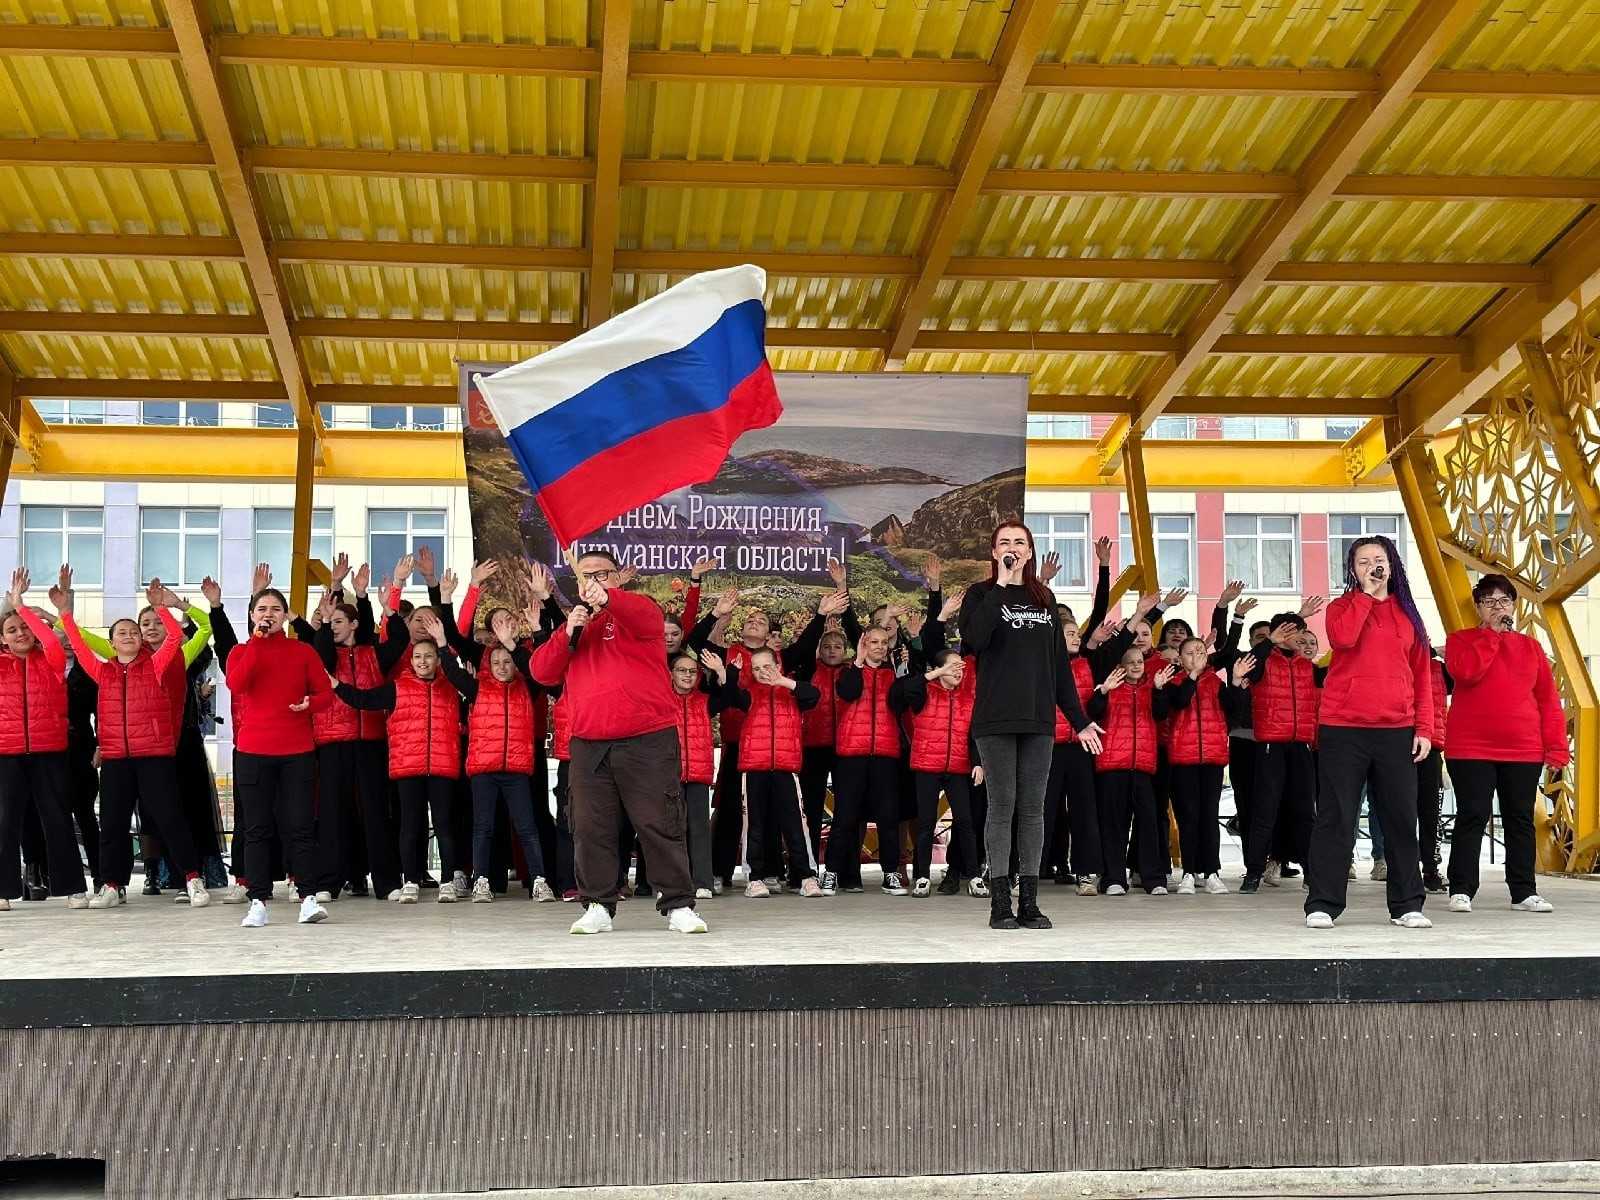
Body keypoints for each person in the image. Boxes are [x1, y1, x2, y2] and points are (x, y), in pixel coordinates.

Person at [530, 550, 705, 935]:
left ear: (617, 577)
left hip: (647, 737)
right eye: (586, 575)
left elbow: (650, 620)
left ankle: (678, 904)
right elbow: (542, 672)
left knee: (659, 822)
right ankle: (597, 904)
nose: (593, 581)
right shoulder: (575, 625)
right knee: (591, 827)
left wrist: (607, 599)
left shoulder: (636, 610)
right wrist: (568, 631)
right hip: (589, 743)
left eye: (602, 574)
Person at [958, 520, 1102, 930]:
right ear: (994, 552)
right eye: (1004, 543)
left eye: (1019, 543)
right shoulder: (981, 594)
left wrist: (1080, 721)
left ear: (1031, 550)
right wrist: (1002, 584)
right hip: (995, 718)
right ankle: (1000, 902)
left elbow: (1059, 669)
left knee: (1033, 810)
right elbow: (975, 640)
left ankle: (1030, 902)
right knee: (1002, 807)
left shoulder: (1044, 599)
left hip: (1038, 721)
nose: (1012, 548)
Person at [1303, 536, 1434, 930]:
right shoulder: (1343, 607)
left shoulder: (1409, 614)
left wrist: (1424, 727)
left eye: (1378, 560)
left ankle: (1408, 904)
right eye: (1362, 562)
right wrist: (1366, 595)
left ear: (1392, 564)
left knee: (1399, 817)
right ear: (1352, 570)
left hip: (1396, 729)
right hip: (1344, 727)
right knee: (1336, 817)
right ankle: (1322, 903)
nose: (1371, 567)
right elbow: (1343, 639)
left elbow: (1423, 675)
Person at [58, 581, 212, 910]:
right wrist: (65, 615)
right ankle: (112, 884)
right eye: (122, 633)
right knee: (112, 822)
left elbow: (173, 638)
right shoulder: (102, 671)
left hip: (154, 755)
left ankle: (193, 878)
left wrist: (160, 607)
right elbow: (79, 645)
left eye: (133, 632)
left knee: (170, 817)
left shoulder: (156, 665)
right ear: (111, 642)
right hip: (116, 757)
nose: (129, 636)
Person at [408, 609, 557, 904]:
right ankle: (482, 881)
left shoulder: (527, 688)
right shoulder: (477, 689)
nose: (502, 666)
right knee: (483, 827)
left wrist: (515, 644)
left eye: (508, 662)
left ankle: (540, 881)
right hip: (483, 770)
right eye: (496, 662)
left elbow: (539, 669)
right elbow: (451, 670)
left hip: (516, 770)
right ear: (487, 664)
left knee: (527, 827)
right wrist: (440, 643)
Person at [1443, 574, 1566, 915]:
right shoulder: (1461, 641)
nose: (1499, 607)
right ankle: (1462, 888)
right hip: (1470, 747)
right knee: (1473, 814)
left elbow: (1547, 700)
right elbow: (1466, 673)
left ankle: (1524, 891)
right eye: (1490, 602)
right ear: (1479, 608)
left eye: (1505, 601)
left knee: (1520, 818)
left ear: (1515, 605)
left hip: (1523, 748)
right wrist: (1491, 637)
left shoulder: (1531, 647)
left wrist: (1556, 747)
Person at [227, 586, 336, 927]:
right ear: (252, 615)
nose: (268, 614)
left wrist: (310, 704)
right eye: (262, 609)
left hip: (297, 751)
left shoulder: (302, 651)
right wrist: (257, 643)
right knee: (256, 830)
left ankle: (307, 896)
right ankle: (257, 900)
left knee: (300, 827)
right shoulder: (241, 652)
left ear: (285, 615)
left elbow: (325, 693)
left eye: (275, 608)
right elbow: (237, 683)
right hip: (253, 751)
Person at [331, 635, 464, 904]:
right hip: (408, 768)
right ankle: (411, 880)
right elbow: (363, 699)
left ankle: (448, 881)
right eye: (417, 657)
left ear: (438, 660)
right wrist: (336, 685)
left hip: (442, 766)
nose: (423, 661)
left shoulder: (451, 688)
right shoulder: (397, 688)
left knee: (444, 826)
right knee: (410, 827)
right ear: (411, 661)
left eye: (428, 656)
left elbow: (473, 694)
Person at [0, 568, 88, 911]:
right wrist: (10, 603)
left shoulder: (50, 660)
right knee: (5, 821)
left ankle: (72, 887)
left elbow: (53, 639)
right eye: (11, 630)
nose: (20, 633)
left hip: (48, 750)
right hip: (6, 752)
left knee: (57, 816)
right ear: (2, 639)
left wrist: (21, 608)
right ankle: (4, 889)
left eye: (23, 628)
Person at [1236, 613, 1321, 894]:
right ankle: (1254, 872)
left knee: (1305, 811)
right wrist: (1269, 642)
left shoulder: (1308, 666)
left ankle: (1312, 870)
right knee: (1265, 810)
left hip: (1300, 745)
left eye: (1299, 632)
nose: (1296, 637)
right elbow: (1247, 667)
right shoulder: (1263, 662)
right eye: (1289, 631)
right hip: (1270, 744)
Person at [891, 647, 984, 898]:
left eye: (961, 667)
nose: (958, 671)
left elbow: (973, 735)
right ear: (939, 669)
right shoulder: (924, 693)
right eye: (952, 666)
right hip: (927, 767)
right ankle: (922, 876)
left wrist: (978, 763)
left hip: (958, 767)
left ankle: (974, 876)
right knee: (926, 823)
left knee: (965, 822)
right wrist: (936, 673)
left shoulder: (968, 698)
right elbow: (906, 689)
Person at [730, 646, 823, 898]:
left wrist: (782, 681)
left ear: (778, 665)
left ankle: (807, 877)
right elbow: (730, 694)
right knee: (755, 825)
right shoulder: (748, 694)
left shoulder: (792, 691)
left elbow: (814, 696)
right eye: (757, 668)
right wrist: (726, 671)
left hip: (786, 766)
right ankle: (755, 878)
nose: (762, 672)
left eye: (767, 667)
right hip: (754, 766)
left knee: (796, 824)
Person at [822, 626, 905, 896]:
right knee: (845, 817)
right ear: (864, 645)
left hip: (885, 752)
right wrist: (858, 662)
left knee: (888, 816)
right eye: (873, 642)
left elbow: (903, 702)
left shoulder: (894, 673)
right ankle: (831, 873)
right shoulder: (849, 671)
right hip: (851, 753)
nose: (879, 647)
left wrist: (901, 668)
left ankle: (891, 873)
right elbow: (847, 693)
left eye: (883, 642)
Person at [1089, 650, 1177, 897]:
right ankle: (1112, 879)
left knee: (1148, 823)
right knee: (1114, 824)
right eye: (1131, 662)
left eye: (1140, 662)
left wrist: (1159, 689)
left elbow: (1161, 715)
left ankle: (1153, 878)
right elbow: (1091, 712)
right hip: (1113, 764)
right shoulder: (1109, 686)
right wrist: (1104, 690)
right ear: (1122, 665)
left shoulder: (1153, 686)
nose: (1137, 666)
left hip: (1143, 766)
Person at [1162, 636, 1234, 895]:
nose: (1197, 657)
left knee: (1208, 815)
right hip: (1183, 758)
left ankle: (1212, 871)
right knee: (1188, 816)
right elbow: (1180, 702)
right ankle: (1189, 873)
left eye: (1201, 652)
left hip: (1212, 757)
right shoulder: (1174, 683)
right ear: (1180, 659)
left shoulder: (1216, 682)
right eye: (1191, 653)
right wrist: (1191, 676)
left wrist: (1235, 682)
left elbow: (1234, 710)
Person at [670, 648, 738, 899]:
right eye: (681, 670)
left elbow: (731, 695)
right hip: (669, 775)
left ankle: (703, 883)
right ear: (671, 673)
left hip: (698, 773)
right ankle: (671, 884)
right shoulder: (661, 699)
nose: (687, 675)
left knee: (698, 829)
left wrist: (722, 671)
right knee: (670, 830)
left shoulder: (704, 700)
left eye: (692, 671)